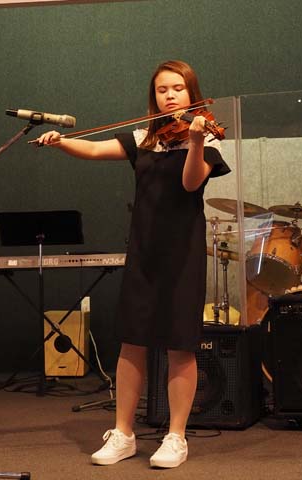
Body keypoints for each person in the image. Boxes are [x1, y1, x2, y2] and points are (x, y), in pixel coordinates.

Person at [36, 60, 230, 469]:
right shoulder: (143, 139)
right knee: (132, 341)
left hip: (182, 254)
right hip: (144, 251)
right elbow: (91, 148)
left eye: (177, 88)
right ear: (154, 96)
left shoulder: (206, 143)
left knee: (180, 344)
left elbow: (190, 183)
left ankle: (176, 437)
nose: (170, 95)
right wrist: (61, 141)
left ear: (192, 94)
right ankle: (123, 433)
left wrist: (194, 142)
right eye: (162, 90)